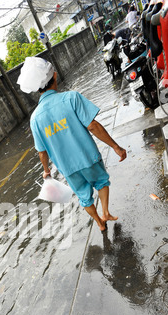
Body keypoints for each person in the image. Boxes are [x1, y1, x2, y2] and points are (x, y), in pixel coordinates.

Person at [17, 57, 127, 232]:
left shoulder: (35, 119)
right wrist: (115, 146)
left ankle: (99, 223)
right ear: (54, 76)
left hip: (67, 168)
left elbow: (42, 151)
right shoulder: (71, 98)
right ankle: (105, 212)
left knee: (84, 197)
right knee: (101, 182)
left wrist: (46, 171)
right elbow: (93, 126)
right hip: (88, 157)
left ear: (37, 89)